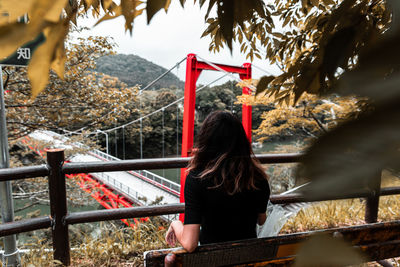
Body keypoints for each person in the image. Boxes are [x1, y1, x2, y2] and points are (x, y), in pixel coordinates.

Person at [165, 111, 270, 253]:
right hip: (249, 257)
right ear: (242, 141)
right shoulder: (257, 177)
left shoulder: (197, 178)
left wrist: (176, 224)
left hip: (214, 260)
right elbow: (261, 220)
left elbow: (190, 244)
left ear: (206, 140)